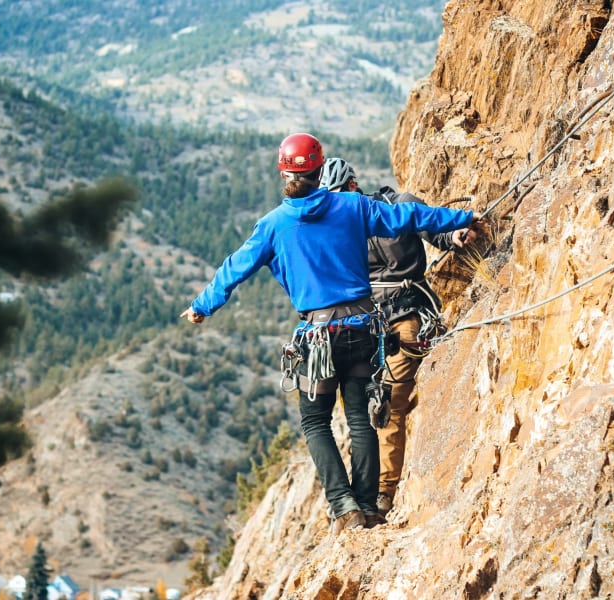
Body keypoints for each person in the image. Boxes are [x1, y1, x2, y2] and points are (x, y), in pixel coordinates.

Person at [181, 133, 480, 535]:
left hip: (320, 336)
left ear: (283, 172)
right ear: (319, 171)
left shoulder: (272, 226)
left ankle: (343, 506)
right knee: (360, 418)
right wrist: (462, 218)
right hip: (362, 328)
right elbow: (408, 216)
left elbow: (235, 268)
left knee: (316, 422)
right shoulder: (353, 206)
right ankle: (369, 507)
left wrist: (202, 306)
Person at [319, 157, 478, 517]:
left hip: (408, 315)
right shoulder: (339, 227)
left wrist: (453, 235)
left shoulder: (398, 205)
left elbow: (431, 228)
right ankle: (369, 491)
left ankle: (382, 493)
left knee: (389, 402)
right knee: (363, 408)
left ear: (353, 187)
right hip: (365, 324)